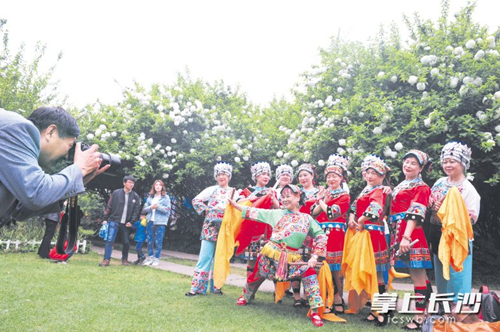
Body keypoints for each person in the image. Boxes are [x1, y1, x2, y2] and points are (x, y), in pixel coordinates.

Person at [229, 184, 328, 327]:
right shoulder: (276, 213)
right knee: (255, 276)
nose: (285, 199)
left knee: (310, 273)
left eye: (288, 196)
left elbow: (321, 235)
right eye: (283, 197)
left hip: (292, 259)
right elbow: (253, 211)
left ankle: (315, 311)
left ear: (298, 197)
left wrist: (315, 256)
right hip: (270, 255)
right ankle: (246, 296)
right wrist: (235, 205)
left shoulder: (307, 219)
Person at [0, 107, 108, 221]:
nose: (66, 156)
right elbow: (36, 194)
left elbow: (18, 210)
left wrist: (79, 179)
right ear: (51, 132)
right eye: (70, 146)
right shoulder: (17, 128)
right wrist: (80, 168)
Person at [428, 142, 480, 307]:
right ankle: (444, 308)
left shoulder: (468, 189)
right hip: (437, 234)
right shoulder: (439, 182)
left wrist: (448, 212)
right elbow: (429, 201)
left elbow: (472, 218)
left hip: (457, 238)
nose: (448, 165)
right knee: (441, 274)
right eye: (445, 161)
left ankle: (460, 310)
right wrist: (432, 205)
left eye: (452, 161)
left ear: (463, 163)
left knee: (458, 274)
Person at [389, 150, 433, 330]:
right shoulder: (402, 185)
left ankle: (419, 316)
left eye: (413, 163)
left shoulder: (421, 187)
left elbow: (415, 213)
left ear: (421, 167)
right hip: (400, 232)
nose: (408, 165)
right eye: (406, 161)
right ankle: (427, 310)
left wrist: (406, 237)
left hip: (411, 234)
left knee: (417, 276)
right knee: (418, 275)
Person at [348, 154, 391, 326]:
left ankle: (384, 312)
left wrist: (360, 220)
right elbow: (354, 206)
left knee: (379, 273)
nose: (370, 175)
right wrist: (353, 218)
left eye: (374, 173)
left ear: (382, 176)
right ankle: (375, 310)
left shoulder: (378, 190)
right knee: (369, 272)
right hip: (364, 233)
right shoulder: (365, 190)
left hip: (374, 233)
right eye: (368, 172)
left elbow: (376, 208)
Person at [186, 162, 234, 296]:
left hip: (225, 228)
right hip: (210, 227)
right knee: (205, 256)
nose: (221, 177)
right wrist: (207, 210)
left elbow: (239, 207)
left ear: (228, 176)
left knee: (220, 257)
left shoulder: (234, 192)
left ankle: (216, 287)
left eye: (224, 174)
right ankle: (196, 288)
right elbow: (196, 200)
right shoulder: (211, 189)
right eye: (219, 174)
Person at [311, 154, 350, 314]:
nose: (331, 179)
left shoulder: (344, 196)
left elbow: (332, 213)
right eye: (329, 177)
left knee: (335, 268)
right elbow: (313, 212)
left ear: (341, 178)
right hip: (322, 234)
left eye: (335, 176)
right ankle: (328, 298)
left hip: (336, 233)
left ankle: (339, 298)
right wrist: (322, 202)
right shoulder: (325, 195)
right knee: (322, 267)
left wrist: (322, 201)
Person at [235, 161, 277, 278]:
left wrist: (272, 197)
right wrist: (249, 198)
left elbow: (277, 208)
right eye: (263, 173)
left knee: (270, 259)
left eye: (268, 174)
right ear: (256, 176)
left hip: (267, 229)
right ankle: (249, 287)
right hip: (252, 229)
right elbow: (238, 204)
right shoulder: (247, 191)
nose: (266, 176)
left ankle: (274, 290)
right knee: (251, 259)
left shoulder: (271, 191)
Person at [99, 175, 141, 267]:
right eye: (129, 182)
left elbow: (136, 211)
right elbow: (109, 206)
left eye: (133, 183)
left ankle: (125, 259)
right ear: (124, 183)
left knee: (126, 242)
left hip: (126, 223)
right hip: (114, 220)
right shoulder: (116, 193)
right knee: (109, 240)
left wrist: (132, 221)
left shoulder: (135, 196)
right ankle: (106, 259)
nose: (131, 184)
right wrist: (105, 219)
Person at [142, 180, 171, 267]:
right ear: (154, 187)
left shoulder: (166, 197)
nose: (158, 186)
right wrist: (151, 207)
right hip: (150, 221)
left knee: (158, 241)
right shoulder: (150, 197)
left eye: (160, 185)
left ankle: (156, 259)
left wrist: (158, 207)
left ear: (162, 187)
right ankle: (150, 258)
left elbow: (167, 210)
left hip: (161, 222)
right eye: (156, 185)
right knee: (149, 240)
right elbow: (144, 209)